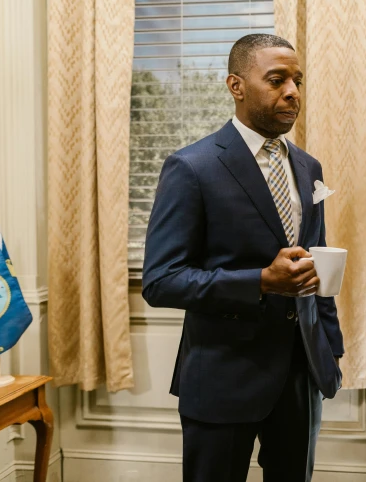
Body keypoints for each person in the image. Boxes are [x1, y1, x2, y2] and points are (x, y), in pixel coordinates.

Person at [142, 34, 343, 482]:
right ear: (236, 85)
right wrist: (261, 281)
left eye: (297, 80)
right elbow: (160, 281)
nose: (292, 91)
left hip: (300, 375)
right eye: (276, 80)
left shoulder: (309, 168)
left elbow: (317, 266)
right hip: (222, 375)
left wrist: (330, 352)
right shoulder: (192, 167)